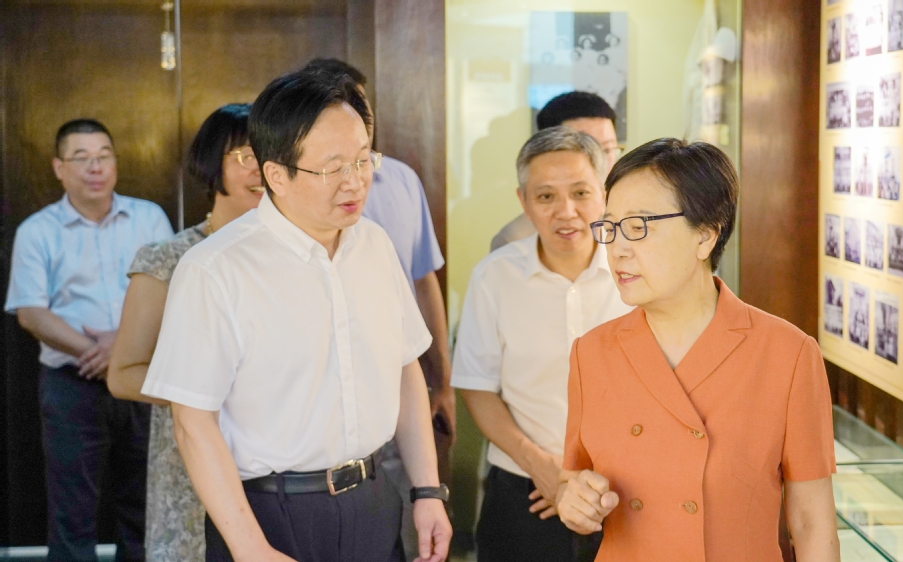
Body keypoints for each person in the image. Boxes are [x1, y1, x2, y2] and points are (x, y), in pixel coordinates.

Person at [140, 72, 451, 562]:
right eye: (332, 168)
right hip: (272, 514)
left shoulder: (374, 245)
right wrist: (250, 548)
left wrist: (427, 491)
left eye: (363, 159)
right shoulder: (215, 269)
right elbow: (192, 423)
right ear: (276, 175)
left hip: (373, 497)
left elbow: (404, 367)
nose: (356, 180)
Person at [556, 138, 839, 561]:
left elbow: (812, 521)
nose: (618, 248)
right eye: (610, 228)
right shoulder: (591, 353)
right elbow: (572, 479)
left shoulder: (787, 354)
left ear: (706, 236)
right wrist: (574, 504)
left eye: (639, 226)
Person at [452, 127, 632, 562]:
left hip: (627, 489)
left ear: (604, 193)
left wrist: (584, 482)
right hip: (525, 489)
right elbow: (477, 386)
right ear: (524, 202)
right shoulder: (495, 277)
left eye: (580, 193)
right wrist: (544, 469)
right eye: (546, 196)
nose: (566, 212)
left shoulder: (637, 272)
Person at [299, 57, 454, 562]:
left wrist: (442, 380)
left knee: (407, 527)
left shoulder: (401, 184)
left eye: (361, 107)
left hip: (396, 398)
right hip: (309, 451)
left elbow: (423, 281)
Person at [4, 119, 173, 561]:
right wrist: (100, 352)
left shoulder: (149, 217)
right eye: (81, 158)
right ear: (59, 168)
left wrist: (122, 346)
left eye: (103, 156)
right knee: (71, 509)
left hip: (142, 380)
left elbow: (171, 294)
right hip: (71, 384)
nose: (95, 167)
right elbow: (31, 311)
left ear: (115, 163)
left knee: (144, 504)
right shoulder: (37, 230)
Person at [106, 104, 263, 562]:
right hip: (192, 458)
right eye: (244, 156)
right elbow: (123, 375)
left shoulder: (290, 257)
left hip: (277, 465)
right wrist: (209, 391)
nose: (259, 169)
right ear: (212, 165)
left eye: (268, 155)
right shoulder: (167, 259)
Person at [491, 91, 623, 252]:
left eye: (607, 150)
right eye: (582, 148)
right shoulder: (515, 241)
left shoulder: (635, 222)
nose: (599, 161)